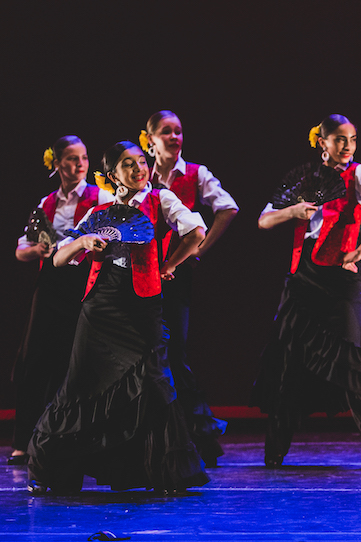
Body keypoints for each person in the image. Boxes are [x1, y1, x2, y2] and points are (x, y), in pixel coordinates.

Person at [28, 141, 208, 493]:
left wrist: (169, 264)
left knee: (155, 382)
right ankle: (51, 470)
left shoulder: (160, 200)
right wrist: (83, 242)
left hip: (143, 305)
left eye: (142, 162)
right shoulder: (99, 212)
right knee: (80, 386)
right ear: (112, 175)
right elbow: (58, 259)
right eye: (129, 164)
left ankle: (163, 473)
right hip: (101, 307)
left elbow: (196, 232)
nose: (140, 169)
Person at [252, 114, 361, 469]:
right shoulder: (304, 177)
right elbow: (263, 219)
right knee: (289, 357)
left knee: (351, 358)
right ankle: (277, 445)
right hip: (302, 276)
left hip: (340, 276)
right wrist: (292, 211)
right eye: (339, 139)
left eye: (352, 138)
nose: (347, 145)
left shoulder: (359, 175)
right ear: (322, 142)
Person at [10, 136, 114, 465]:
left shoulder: (101, 196)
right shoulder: (46, 204)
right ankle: (24, 439)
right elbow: (21, 248)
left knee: (79, 360)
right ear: (55, 163)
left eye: (83, 157)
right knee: (34, 357)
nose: (80, 164)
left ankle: (83, 438)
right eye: (71, 158)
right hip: (52, 284)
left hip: (86, 282)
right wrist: (37, 250)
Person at [143, 110, 238, 466]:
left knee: (175, 351)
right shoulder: (140, 172)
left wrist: (197, 249)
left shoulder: (195, 174)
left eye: (178, 131)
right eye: (166, 132)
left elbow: (227, 209)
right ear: (149, 139)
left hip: (175, 275)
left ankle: (193, 435)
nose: (174, 137)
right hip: (139, 273)